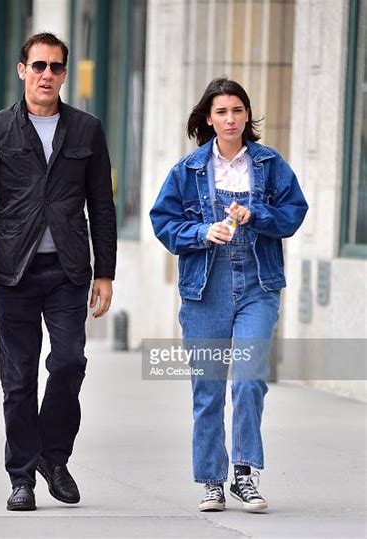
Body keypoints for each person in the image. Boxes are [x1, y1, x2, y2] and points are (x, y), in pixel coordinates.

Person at [0, 32, 117, 511]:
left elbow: (102, 206)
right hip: (13, 272)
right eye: (39, 65)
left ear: (65, 74)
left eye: (56, 67)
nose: (47, 74)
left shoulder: (86, 129)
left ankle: (55, 456)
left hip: (69, 270)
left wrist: (105, 272)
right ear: (22, 69)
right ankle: (22, 476)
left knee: (69, 363)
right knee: (18, 379)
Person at [150, 77, 308, 512]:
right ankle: (211, 482)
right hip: (206, 287)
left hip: (258, 283)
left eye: (237, 110)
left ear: (247, 115)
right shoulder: (188, 170)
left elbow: (294, 214)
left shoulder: (271, 165)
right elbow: (163, 223)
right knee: (209, 388)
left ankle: (244, 473)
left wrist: (255, 214)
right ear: (208, 118)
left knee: (250, 377)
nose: (230, 119)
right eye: (221, 111)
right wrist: (203, 231)